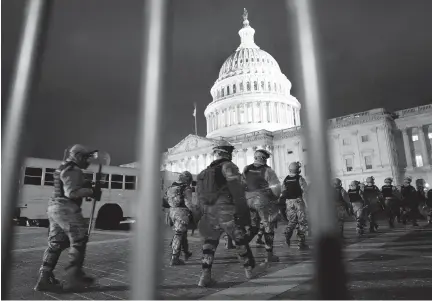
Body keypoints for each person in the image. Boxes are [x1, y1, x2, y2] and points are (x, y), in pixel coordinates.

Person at [34, 144, 101, 292]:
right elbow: (71, 192)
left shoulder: (63, 167)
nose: (87, 161)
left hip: (54, 207)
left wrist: (86, 185)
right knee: (79, 240)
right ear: (77, 156)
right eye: (85, 157)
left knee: (56, 244)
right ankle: (74, 277)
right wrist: (91, 191)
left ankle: (44, 279)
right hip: (66, 208)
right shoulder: (74, 169)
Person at [196, 140, 255, 287]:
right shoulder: (228, 166)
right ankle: (249, 270)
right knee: (239, 239)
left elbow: (198, 195)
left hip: (210, 212)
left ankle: (204, 276)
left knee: (209, 243)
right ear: (227, 153)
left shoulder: (204, 172)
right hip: (226, 210)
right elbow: (238, 188)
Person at [242, 149, 281, 262]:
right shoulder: (268, 170)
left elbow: (242, 183)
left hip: (248, 199)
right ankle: (269, 255)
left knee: (253, 226)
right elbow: (276, 189)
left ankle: (242, 244)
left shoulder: (246, 168)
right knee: (268, 225)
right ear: (264, 159)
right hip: (262, 200)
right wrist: (274, 199)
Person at [164, 171, 195, 266]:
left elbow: (165, 201)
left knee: (182, 233)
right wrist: (195, 211)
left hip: (171, 212)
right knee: (179, 234)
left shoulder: (171, 187)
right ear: (188, 179)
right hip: (182, 213)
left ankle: (186, 252)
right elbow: (188, 203)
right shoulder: (186, 188)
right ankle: (175, 258)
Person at [280, 162, 309, 250]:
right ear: (298, 170)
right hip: (298, 201)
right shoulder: (300, 178)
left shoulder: (286, 179)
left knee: (292, 221)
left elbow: (283, 191)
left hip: (289, 202)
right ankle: (301, 243)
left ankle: (287, 239)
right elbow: (305, 191)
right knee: (302, 222)